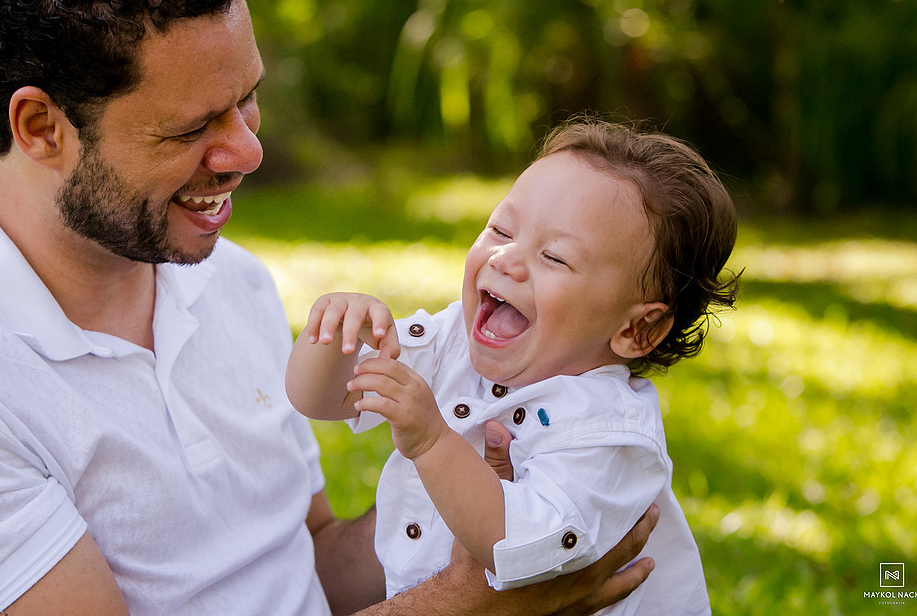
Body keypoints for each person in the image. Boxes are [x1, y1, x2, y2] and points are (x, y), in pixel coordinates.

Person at [0, 0, 658, 613]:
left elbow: (304, 562)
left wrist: (491, 505)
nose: (248, 149)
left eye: (246, 99)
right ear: (42, 127)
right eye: (192, 128)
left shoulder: (225, 278)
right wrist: (465, 604)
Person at [287, 116, 740, 614]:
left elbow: (518, 554)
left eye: (555, 257)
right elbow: (321, 399)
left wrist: (433, 441)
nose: (505, 257)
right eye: (501, 228)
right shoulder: (454, 343)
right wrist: (332, 337)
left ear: (637, 331)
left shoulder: (610, 435)